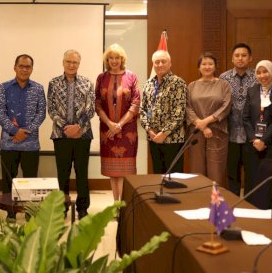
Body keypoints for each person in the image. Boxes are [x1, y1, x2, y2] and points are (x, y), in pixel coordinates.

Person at [0, 54, 46, 218]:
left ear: (32, 69)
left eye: (28, 67)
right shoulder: (4, 88)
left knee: (30, 182)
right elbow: (0, 113)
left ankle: (29, 214)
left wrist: (26, 132)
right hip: (8, 144)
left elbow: (41, 114)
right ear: (15, 67)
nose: (24, 69)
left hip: (31, 145)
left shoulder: (38, 88)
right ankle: (10, 213)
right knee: (8, 181)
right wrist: (15, 131)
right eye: (21, 66)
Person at [48, 49, 95, 219]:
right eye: (68, 61)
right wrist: (66, 127)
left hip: (83, 135)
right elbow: (51, 109)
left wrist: (78, 127)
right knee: (63, 173)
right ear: (63, 62)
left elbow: (91, 109)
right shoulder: (53, 83)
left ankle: (83, 208)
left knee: (82, 172)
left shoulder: (87, 83)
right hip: (61, 135)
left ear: (79, 64)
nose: (71, 65)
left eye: (75, 62)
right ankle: (63, 206)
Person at [95, 44, 140, 201]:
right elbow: (97, 103)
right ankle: (115, 203)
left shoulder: (131, 77)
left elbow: (136, 103)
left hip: (127, 131)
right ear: (107, 60)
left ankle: (122, 205)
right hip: (107, 131)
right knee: (112, 172)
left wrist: (119, 125)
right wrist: (110, 124)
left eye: (117, 58)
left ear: (122, 59)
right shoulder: (101, 78)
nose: (114, 61)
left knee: (123, 172)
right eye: (111, 58)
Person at [242, 60, 272, 215]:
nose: (262, 76)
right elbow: (245, 118)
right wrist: (254, 139)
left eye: (265, 71)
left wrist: (264, 140)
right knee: (251, 181)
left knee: (268, 182)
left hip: (271, 145)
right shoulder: (252, 90)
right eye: (259, 72)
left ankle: (269, 217)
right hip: (252, 145)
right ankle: (250, 214)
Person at [185, 53, 231, 186]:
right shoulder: (191, 86)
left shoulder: (224, 85)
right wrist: (202, 126)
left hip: (217, 131)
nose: (207, 66)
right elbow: (187, 107)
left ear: (215, 66)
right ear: (198, 67)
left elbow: (226, 106)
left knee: (216, 170)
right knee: (196, 168)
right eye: (203, 64)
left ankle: (216, 203)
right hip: (196, 132)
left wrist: (206, 122)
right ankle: (199, 200)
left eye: (210, 64)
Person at [140, 50, 187, 174]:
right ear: (153, 65)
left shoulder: (178, 83)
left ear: (170, 63)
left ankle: (173, 195)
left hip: (172, 139)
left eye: (163, 61)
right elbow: (142, 110)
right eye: (157, 62)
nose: (160, 64)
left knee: (173, 177)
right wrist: (150, 131)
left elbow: (179, 113)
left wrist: (164, 134)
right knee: (158, 175)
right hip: (153, 138)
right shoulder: (148, 84)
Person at [219, 43, 257, 196]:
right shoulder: (224, 77)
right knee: (232, 174)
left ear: (250, 58)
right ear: (233, 58)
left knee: (251, 173)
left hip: (252, 134)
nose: (240, 58)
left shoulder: (258, 77)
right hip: (230, 132)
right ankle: (233, 205)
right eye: (237, 55)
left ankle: (248, 206)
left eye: (244, 55)